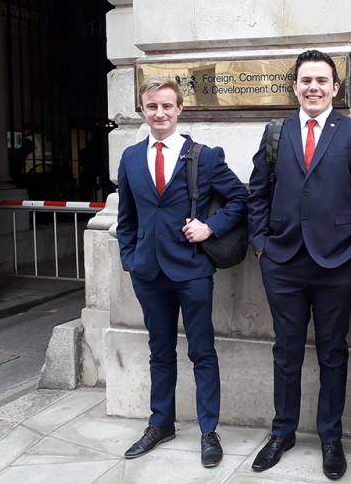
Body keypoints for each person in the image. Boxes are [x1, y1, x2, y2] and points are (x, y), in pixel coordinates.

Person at [247, 50, 351, 480]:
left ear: (335, 89)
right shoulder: (275, 132)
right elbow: (257, 193)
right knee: (285, 352)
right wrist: (261, 244)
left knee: (333, 353)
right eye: (306, 80)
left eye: (322, 81)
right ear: (295, 86)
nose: (313, 88)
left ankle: (330, 437)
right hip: (282, 261)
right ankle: (282, 430)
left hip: (336, 263)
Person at [116, 76, 248, 468]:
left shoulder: (204, 156)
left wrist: (211, 227)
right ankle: (161, 423)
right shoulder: (130, 158)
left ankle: (209, 430)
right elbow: (126, 218)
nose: (159, 113)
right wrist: (130, 258)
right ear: (143, 109)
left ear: (179, 110)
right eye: (152, 106)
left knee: (202, 351)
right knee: (159, 351)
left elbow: (240, 198)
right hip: (148, 273)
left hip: (191, 271)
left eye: (167, 106)